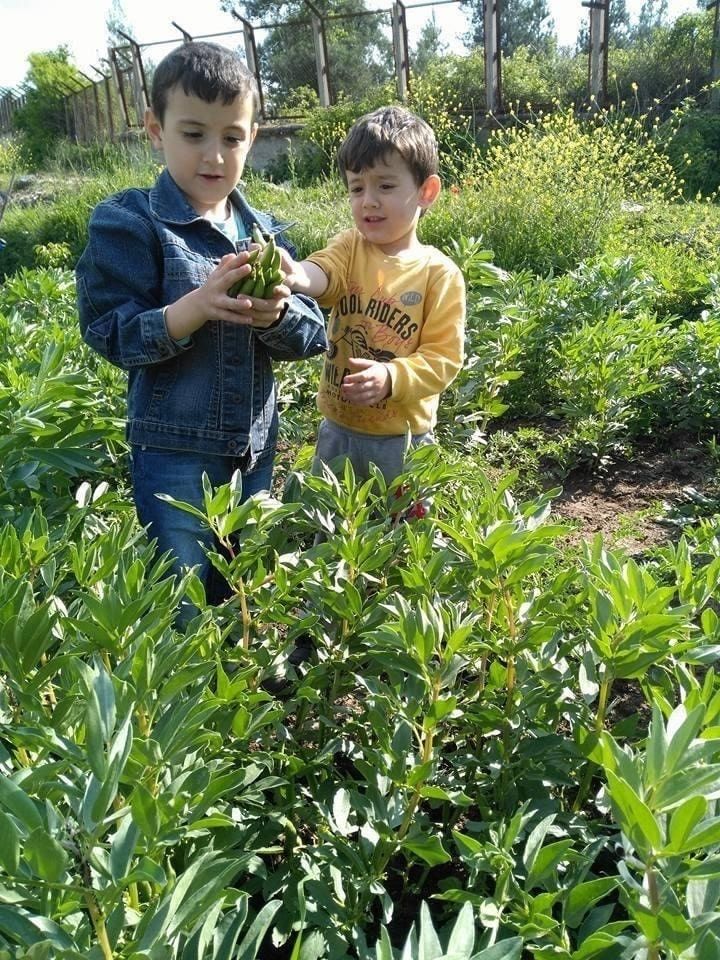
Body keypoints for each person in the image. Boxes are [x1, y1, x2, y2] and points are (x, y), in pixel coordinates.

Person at [76, 41, 327, 619]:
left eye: (232, 138)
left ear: (252, 137)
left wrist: (277, 315)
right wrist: (195, 307)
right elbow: (110, 331)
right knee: (185, 599)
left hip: (254, 449)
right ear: (155, 129)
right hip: (174, 455)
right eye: (193, 134)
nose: (214, 156)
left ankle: (237, 670)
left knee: (244, 595)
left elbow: (313, 331)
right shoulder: (131, 222)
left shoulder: (265, 233)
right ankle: (191, 674)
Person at [281, 105, 466, 496]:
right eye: (357, 187)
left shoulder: (439, 274)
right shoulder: (350, 247)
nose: (368, 200)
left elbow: (443, 359)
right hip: (337, 432)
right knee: (328, 521)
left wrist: (391, 377)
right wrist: (297, 274)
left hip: (403, 441)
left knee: (399, 528)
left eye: (385, 186)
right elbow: (324, 271)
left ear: (426, 192)